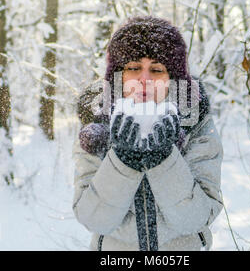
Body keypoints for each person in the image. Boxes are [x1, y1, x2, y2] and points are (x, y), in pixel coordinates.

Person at [72, 16, 223, 251]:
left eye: (156, 69)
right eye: (133, 68)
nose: (145, 80)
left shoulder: (197, 126)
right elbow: (94, 219)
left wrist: (164, 161)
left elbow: (195, 219)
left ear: (172, 79)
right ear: (118, 76)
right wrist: (122, 162)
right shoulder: (96, 128)